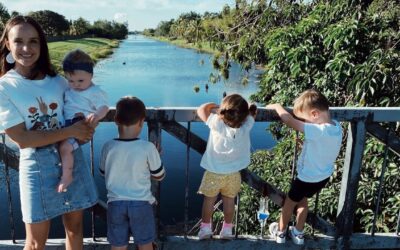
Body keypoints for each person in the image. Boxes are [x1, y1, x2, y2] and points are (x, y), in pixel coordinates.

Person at [0, 16, 98, 249]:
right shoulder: (5, 87)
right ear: (7, 44)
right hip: (35, 165)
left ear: (41, 45)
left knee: (75, 230)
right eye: (19, 41)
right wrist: (71, 131)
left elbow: (76, 116)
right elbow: (22, 138)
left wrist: (84, 129)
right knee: (35, 242)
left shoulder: (59, 82)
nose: (26, 48)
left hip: (70, 161)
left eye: (33, 41)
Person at [266, 89, 342, 245]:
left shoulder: (318, 130)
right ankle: (298, 233)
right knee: (303, 203)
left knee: (289, 204)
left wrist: (277, 106)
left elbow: (288, 120)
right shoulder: (337, 127)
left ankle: (280, 232)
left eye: (304, 120)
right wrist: (307, 144)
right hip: (321, 178)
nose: (304, 123)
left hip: (305, 178)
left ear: (314, 114)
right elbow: (323, 146)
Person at [100, 96, 165, 250]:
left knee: (118, 244)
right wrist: (155, 157)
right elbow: (159, 175)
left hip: (115, 204)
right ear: (142, 122)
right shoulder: (148, 148)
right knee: (144, 243)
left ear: (116, 119)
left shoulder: (108, 146)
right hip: (141, 204)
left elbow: (103, 173)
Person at [197, 94, 257, 240]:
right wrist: (248, 108)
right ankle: (227, 230)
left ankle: (205, 229)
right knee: (229, 201)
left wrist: (213, 106)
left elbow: (201, 110)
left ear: (224, 111)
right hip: (233, 174)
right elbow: (253, 113)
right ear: (243, 115)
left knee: (209, 201)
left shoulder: (217, 124)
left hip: (213, 173)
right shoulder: (246, 126)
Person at [57, 49, 109, 193]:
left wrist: (97, 115)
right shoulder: (70, 88)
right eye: (71, 80)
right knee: (58, 146)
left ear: (91, 76)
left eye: (80, 81)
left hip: (80, 126)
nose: (75, 85)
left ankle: (67, 176)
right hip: (66, 126)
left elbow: (104, 107)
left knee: (65, 148)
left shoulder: (94, 91)